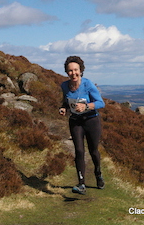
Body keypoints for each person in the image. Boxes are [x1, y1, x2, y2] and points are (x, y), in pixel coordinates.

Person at [59, 56, 105, 195]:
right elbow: (65, 101)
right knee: (79, 151)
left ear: (81, 70)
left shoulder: (88, 84)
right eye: (70, 71)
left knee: (93, 151)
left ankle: (98, 173)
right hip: (75, 121)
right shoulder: (64, 86)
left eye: (76, 70)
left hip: (91, 120)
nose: (73, 73)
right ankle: (81, 184)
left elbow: (100, 103)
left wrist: (85, 106)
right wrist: (63, 108)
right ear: (67, 72)